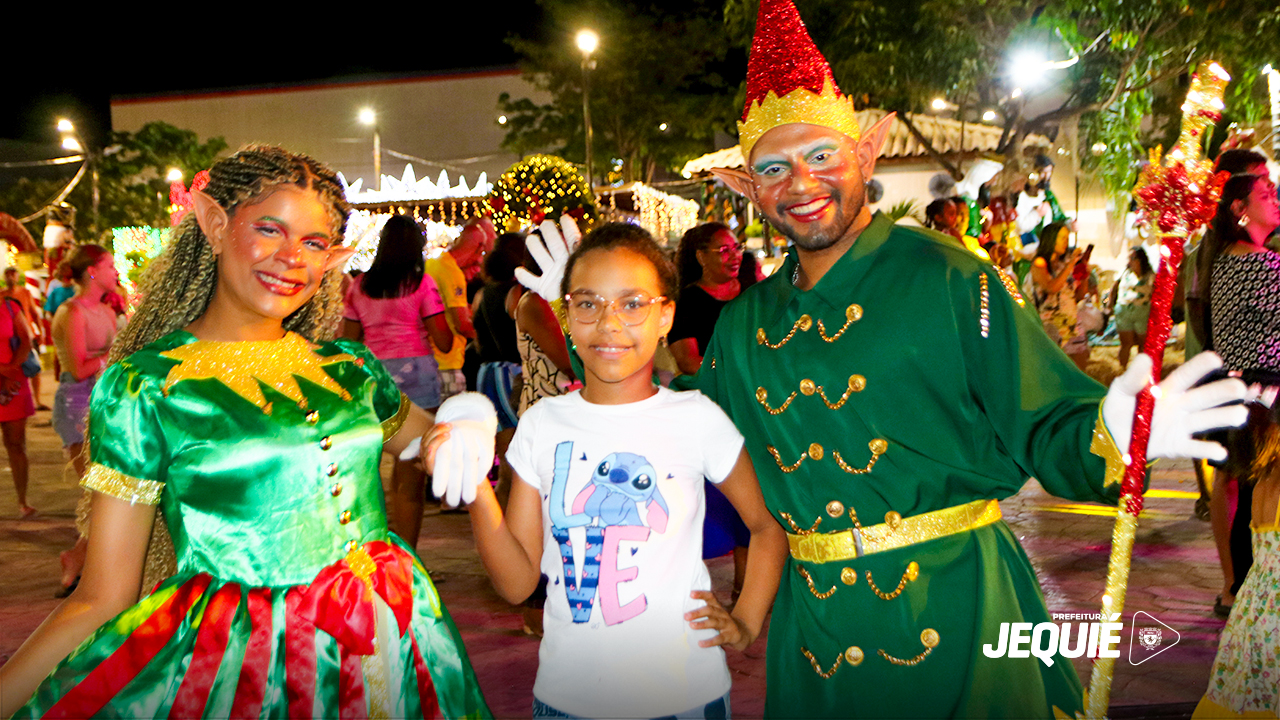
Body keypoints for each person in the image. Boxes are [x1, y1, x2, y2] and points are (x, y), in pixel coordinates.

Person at [510, 1, 1248, 715]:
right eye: (772, 169)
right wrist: (597, 318)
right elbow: (670, 425)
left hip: (962, 611)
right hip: (818, 635)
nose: (800, 185)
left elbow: (1048, 421)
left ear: (866, 151)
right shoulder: (745, 326)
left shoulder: (955, 279)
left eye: (821, 156)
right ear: (745, 188)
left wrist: (1112, 432)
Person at [0, 146, 490, 719]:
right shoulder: (146, 387)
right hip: (250, 669)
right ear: (212, 223)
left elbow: (428, 438)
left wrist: (467, 422)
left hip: (397, 641)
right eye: (268, 229)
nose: (290, 259)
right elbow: (101, 596)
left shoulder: (350, 370)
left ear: (333, 258)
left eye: (312, 243)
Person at [455, 221, 787, 719]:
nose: (609, 324)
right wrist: (476, 484)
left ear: (666, 316)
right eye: (588, 303)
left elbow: (766, 526)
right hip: (569, 700)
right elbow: (518, 583)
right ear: (567, 313)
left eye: (633, 303)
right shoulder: (541, 424)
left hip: (684, 697)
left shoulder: (695, 418)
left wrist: (745, 620)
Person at [343, 213, 455, 549]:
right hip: (418, 378)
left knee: (367, 470)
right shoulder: (422, 284)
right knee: (410, 476)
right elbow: (445, 340)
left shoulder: (360, 286)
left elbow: (350, 341)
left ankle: (368, 551)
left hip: (373, 381)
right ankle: (406, 561)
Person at [49, 244, 120, 595]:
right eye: (109, 265)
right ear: (92, 271)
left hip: (105, 404)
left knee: (107, 489)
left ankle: (79, 557)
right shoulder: (71, 312)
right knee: (96, 489)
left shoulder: (107, 312)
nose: (115, 271)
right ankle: (79, 560)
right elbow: (77, 368)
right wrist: (111, 355)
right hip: (77, 407)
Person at [670, 222, 743, 376]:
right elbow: (688, 361)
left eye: (737, 248)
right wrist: (734, 370)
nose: (734, 256)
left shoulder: (751, 291)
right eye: (724, 250)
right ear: (701, 257)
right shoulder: (687, 302)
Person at [424, 226, 479, 402]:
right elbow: (461, 324)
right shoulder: (452, 272)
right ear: (478, 248)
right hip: (448, 363)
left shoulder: (433, 263)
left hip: (425, 361)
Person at [1029, 221, 1090, 370]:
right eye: (1062, 237)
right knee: (1054, 370)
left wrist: (1085, 276)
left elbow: (1079, 296)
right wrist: (1070, 265)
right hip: (1051, 327)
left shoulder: (1064, 264)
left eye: (1067, 238)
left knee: (1079, 370)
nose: (1066, 242)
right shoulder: (1039, 263)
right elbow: (1052, 288)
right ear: (1051, 239)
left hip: (1071, 324)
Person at [1, 280, 36, 518]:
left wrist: (11, 370)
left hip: (14, 382)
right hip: (8, 376)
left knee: (16, 442)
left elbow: (26, 340)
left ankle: (23, 500)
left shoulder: (10, 307)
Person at [3, 267, 46, 411]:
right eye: (7, 274)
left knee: (33, 366)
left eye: (12, 274)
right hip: (9, 337)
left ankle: (37, 399)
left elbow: (33, 313)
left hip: (26, 332)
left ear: (16, 276)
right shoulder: (3, 295)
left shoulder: (24, 292)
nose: (10, 277)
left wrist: (40, 331)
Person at [1110, 247, 1155, 370]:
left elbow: (1155, 291)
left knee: (1142, 343)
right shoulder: (1124, 273)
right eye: (1129, 258)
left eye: (1133, 258)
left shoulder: (1150, 275)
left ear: (1141, 260)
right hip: (1124, 310)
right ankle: (1122, 369)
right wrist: (1110, 305)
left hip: (1142, 310)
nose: (1130, 261)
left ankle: (1140, 370)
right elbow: (1114, 288)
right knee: (1126, 343)